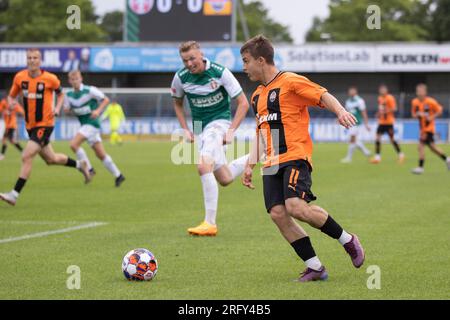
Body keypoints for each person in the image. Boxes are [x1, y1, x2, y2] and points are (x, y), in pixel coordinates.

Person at [240, 35, 364, 282]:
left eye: (246, 61)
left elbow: (322, 94)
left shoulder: (290, 81)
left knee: (295, 206)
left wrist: (340, 111)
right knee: (277, 213)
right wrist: (249, 164)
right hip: (271, 163)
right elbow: (262, 133)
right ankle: (315, 267)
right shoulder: (257, 96)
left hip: (295, 156)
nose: (243, 67)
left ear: (261, 60)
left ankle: (347, 240)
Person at [171, 41, 250, 236]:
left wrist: (231, 130)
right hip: (200, 129)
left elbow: (243, 103)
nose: (189, 64)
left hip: (219, 124)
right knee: (225, 178)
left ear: (201, 55)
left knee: (202, 165)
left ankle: (209, 223)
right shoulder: (180, 78)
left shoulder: (220, 72)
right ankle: (260, 155)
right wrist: (185, 129)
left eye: (192, 59)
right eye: (185, 60)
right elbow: (178, 104)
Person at [0, 48, 90, 206]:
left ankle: (14, 195)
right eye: (29, 58)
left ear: (40, 61)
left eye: (35, 58)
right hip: (30, 126)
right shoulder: (20, 77)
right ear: (26, 60)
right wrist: (12, 101)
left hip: (45, 124)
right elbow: (11, 95)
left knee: (26, 156)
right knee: (51, 159)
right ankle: (79, 165)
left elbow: (61, 94)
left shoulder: (50, 78)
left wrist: (57, 108)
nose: (32, 60)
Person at [61, 70, 125, 186]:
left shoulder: (90, 90)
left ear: (81, 79)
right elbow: (68, 110)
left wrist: (98, 111)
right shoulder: (68, 95)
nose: (75, 81)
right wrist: (67, 111)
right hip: (84, 125)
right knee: (101, 154)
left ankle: (89, 170)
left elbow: (106, 99)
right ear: (70, 81)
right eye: (73, 79)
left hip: (92, 123)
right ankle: (118, 175)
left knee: (73, 145)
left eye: (77, 79)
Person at [410, 83, 450, 174]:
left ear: (425, 92)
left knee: (420, 146)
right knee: (432, 148)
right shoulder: (414, 102)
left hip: (429, 128)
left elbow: (440, 110)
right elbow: (413, 114)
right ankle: (447, 159)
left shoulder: (431, 101)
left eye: (421, 91)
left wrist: (432, 117)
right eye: (418, 91)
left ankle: (420, 167)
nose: (419, 93)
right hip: (422, 129)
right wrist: (417, 115)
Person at [370, 84, 405, 164]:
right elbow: (381, 109)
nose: (382, 91)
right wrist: (378, 113)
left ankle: (401, 155)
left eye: (383, 90)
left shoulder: (390, 98)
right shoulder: (380, 98)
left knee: (392, 140)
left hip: (389, 122)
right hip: (381, 122)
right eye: (381, 90)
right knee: (377, 138)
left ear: (386, 90)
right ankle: (377, 157)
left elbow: (394, 108)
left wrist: (384, 112)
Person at [341, 86, 371, 163]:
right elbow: (346, 112)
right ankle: (366, 152)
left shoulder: (360, 101)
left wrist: (366, 124)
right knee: (354, 140)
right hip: (350, 122)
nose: (350, 92)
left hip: (357, 123)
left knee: (352, 139)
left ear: (355, 92)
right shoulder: (348, 101)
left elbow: (363, 112)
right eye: (349, 91)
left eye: (352, 91)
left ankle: (349, 158)